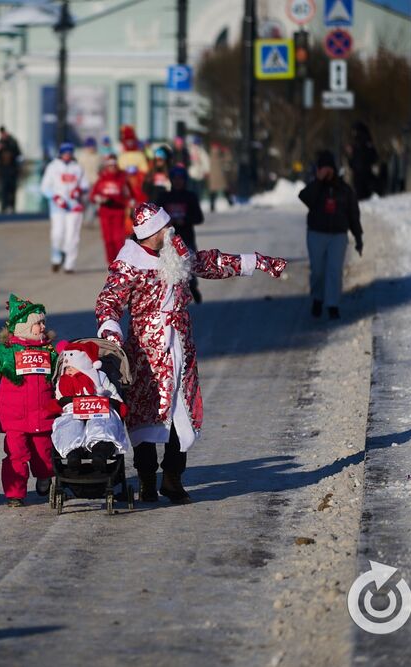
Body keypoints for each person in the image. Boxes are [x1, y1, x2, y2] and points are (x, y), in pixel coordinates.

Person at [95, 203, 287, 503]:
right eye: (164, 226)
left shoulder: (175, 251)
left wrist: (258, 262)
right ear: (151, 232)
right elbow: (109, 300)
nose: (171, 229)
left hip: (180, 347)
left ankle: (172, 477)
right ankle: (146, 479)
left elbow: (210, 263)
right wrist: (110, 330)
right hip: (145, 351)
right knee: (144, 414)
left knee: (181, 411)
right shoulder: (129, 262)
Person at [0, 295, 60, 507]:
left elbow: (62, 375)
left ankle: (45, 477)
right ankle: (14, 493)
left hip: (43, 415)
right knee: (15, 456)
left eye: (43, 322)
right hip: (15, 418)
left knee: (44, 455)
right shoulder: (6, 352)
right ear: (24, 327)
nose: (43, 326)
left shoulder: (49, 351)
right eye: (38, 323)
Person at [298, 150, 363, 320]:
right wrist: (319, 181)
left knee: (334, 270)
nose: (327, 172)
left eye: (329, 168)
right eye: (323, 169)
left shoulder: (344, 190)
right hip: (316, 234)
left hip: (338, 236)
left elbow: (353, 215)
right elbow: (304, 197)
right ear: (318, 170)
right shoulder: (314, 188)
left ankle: (333, 304)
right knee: (318, 271)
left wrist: (358, 237)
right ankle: (317, 298)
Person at [51, 340, 130, 471]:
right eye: (66, 368)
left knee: (102, 423)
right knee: (68, 425)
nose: (68, 370)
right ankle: (73, 453)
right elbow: (59, 399)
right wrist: (56, 405)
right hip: (72, 410)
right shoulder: (62, 382)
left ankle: (101, 450)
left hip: (99, 409)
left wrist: (118, 404)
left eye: (71, 367)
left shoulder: (99, 377)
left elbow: (112, 392)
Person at [156, 166, 205, 304]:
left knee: (188, 267)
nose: (178, 182)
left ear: (185, 180)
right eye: (175, 179)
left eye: (180, 179)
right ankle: (169, 296)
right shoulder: (164, 197)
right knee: (167, 268)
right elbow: (155, 217)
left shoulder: (190, 197)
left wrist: (185, 220)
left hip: (186, 238)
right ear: (171, 180)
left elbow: (199, 218)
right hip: (167, 240)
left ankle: (192, 289)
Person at [40, 143, 88, 274]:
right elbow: (44, 187)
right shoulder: (53, 167)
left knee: (72, 235)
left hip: (74, 206)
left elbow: (85, 184)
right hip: (58, 207)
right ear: (60, 153)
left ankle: (69, 264)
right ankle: (56, 257)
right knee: (57, 234)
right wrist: (55, 197)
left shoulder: (78, 168)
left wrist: (79, 190)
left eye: (69, 152)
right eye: (64, 152)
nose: (67, 155)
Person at [90, 153, 133, 264]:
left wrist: (129, 204)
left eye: (114, 165)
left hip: (118, 212)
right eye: (110, 165)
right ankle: (111, 263)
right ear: (106, 166)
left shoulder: (122, 178)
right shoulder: (101, 179)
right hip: (105, 213)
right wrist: (100, 199)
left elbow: (129, 196)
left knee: (118, 239)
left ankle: (121, 261)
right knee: (108, 240)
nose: (112, 167)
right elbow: (93, 196)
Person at [347, 121, 379, 201]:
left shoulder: (359, 143)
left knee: (361, 195)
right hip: (363, 172)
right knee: (363, 196)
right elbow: (374, 157)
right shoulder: (365, 142)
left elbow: (354, 159)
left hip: (361, 173)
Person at [0, 126, 22, 214]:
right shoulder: (0, 142)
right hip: (3, 169)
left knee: (12, 189)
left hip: (12, 169)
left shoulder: (13, 141)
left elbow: (18, 153)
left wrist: (10, 154)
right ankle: (4, 206)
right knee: (4, 189)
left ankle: (12, 206)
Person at [208, 142, 230, 210]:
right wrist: (226, 152)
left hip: (212, 177)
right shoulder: (220, 157)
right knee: (225, 189)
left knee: (213, 192)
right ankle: (230, 202)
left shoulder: (210, 156)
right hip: (220, 177)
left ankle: (212, 206)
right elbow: (228, 160)